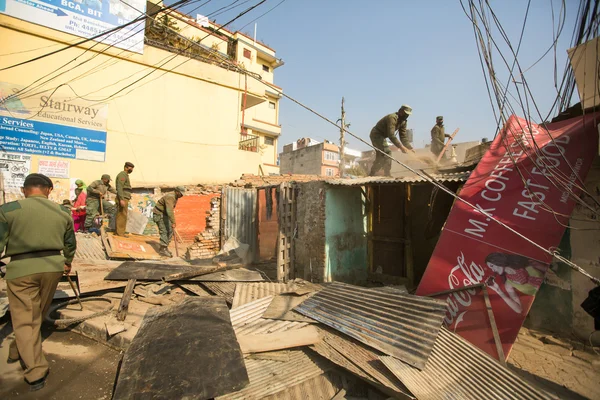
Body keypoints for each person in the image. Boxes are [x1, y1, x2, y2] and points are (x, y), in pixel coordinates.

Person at [1, 173, 77, 391]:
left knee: (26, 318)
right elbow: (70, 243)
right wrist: (67, 262)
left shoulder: (8, 210)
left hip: (21, 270)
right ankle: (18, 349)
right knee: (38, 313)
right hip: (53, 268)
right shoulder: (63, 212)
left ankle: (35, 373)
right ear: (49, 190)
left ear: (25, 190)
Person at [369, 105, 415, 176]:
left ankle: (372, 173)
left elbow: (403, 137)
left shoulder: (403, 122)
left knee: (380, 155)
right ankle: (387, 173)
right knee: (387, 152)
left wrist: (409, 148)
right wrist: (401, 147)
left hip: (382, 136)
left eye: (408, 115)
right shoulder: (392, 118)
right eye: (405, 114)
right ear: (400, 111)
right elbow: (391, 135)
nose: (406, 116)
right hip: (376, 134)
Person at [153, 186, 185, 257]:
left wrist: (172, 222)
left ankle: (165, 247)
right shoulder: (170, 197)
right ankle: (163, 249)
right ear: (177, 191)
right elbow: (169, 210)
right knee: (164, 230)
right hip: (159, 214)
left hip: (165, 214)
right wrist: (173, 222)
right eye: (181, 194)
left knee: (170, 230)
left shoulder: (175, 197)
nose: (181, 196)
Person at [115, 162, 134, 237]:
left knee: (123, 215)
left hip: (125, 197)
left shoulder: (125, 175)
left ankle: (120, 232)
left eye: (132, 168)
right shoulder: (122, 175)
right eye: (130, 168)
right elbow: (120, 187)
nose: (131, 169)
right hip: (123, 198)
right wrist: (121, 199)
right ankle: (120, 233)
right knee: (122, 215)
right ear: (126, 167)